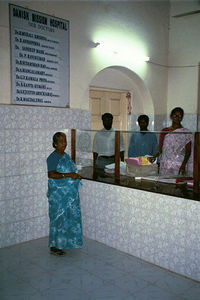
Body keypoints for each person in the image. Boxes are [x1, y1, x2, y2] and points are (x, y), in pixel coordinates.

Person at [46, 132, 83, 256]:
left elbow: (71, 171)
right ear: (55, 144)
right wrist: (68, 175)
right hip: (58, 196)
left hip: (69, 196)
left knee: (68, 218)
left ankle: (65, 242)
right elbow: (51, 174)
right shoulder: (52, 157)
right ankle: (54, 246)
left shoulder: (66, 156)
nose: (64, 143)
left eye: (65, 140)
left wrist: (75, 176)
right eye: (61, 141)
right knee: (58, 219)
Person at [149, 107, 193, 176]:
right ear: (171, 117)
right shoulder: (165, 131)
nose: (177, 118)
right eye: (175, 115)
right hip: (165, 165)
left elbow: (188, 151)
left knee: (177, 185)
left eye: (180, 116)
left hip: (179, 165)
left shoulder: (185, 132)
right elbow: (160, 149)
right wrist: (154, 156)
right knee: (165, 184)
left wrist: (183, 165)